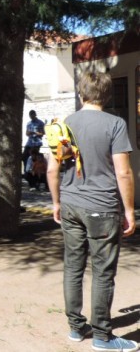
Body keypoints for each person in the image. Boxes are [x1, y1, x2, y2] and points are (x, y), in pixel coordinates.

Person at [47, 71, 137, 351]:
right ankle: (102, 337)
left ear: (79, 93)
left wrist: (57, 202)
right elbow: (123, 172)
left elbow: (52, 169)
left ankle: (76, 329)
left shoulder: (64, 125)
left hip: (72, 205)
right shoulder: (115, 124)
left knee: (73, 267)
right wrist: (130, 210)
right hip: (102, 206)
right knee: (102, 272)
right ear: (108, 95)